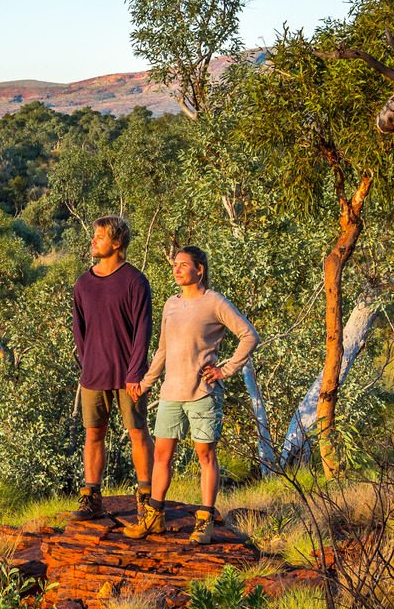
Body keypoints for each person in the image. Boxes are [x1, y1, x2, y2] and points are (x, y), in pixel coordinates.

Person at [123, 244, 257, 543]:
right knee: (161, 455)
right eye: (175, 264)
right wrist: (145, 384)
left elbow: (249, 336)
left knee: (205, 454)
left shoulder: (214, 302)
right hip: (171, 391)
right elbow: (162, 350)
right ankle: (153, 517)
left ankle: (205, 521)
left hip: (203, 393)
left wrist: (226, 369)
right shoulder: (171, 304)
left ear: (200, 269)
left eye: (184, 264)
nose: (177, 268)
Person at [70, 215, 151, 523]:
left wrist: (135, 373)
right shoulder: (84, 283)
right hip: (93, 374)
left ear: (117, 243)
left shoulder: (134, 281)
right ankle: (91, 497)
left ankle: (146, 500)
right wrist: (87, 363)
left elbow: (142, 331)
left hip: (129, 376)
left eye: (100, 237)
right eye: (94, 236)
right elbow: (80, 331)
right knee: (93, 434)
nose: (93, 241)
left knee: (138, 433)